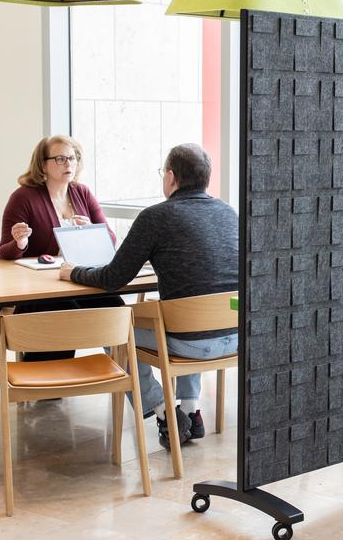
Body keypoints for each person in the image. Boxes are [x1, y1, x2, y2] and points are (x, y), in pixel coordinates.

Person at [62, 144, 238, 451]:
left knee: (116, 330)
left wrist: (74, 272)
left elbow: (113, 279)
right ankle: (191, 410)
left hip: (190, 342)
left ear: (170, 177)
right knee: (193, 308)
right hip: (236, 336)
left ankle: (164, 411)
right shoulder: (229, 212)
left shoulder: (155, 217)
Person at [0, 135, 119, 361]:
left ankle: (125, 373)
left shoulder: (82, 192)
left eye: (72, 158)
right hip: (42, 289)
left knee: (115, 307)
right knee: (66, 313)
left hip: (80, 279)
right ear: (43, 164)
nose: (68, 164)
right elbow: (4, 252)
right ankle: (45, 377)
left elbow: (110, 239)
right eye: (60, 159)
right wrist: (20, 243)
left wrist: (91, 230)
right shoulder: (23, 197)